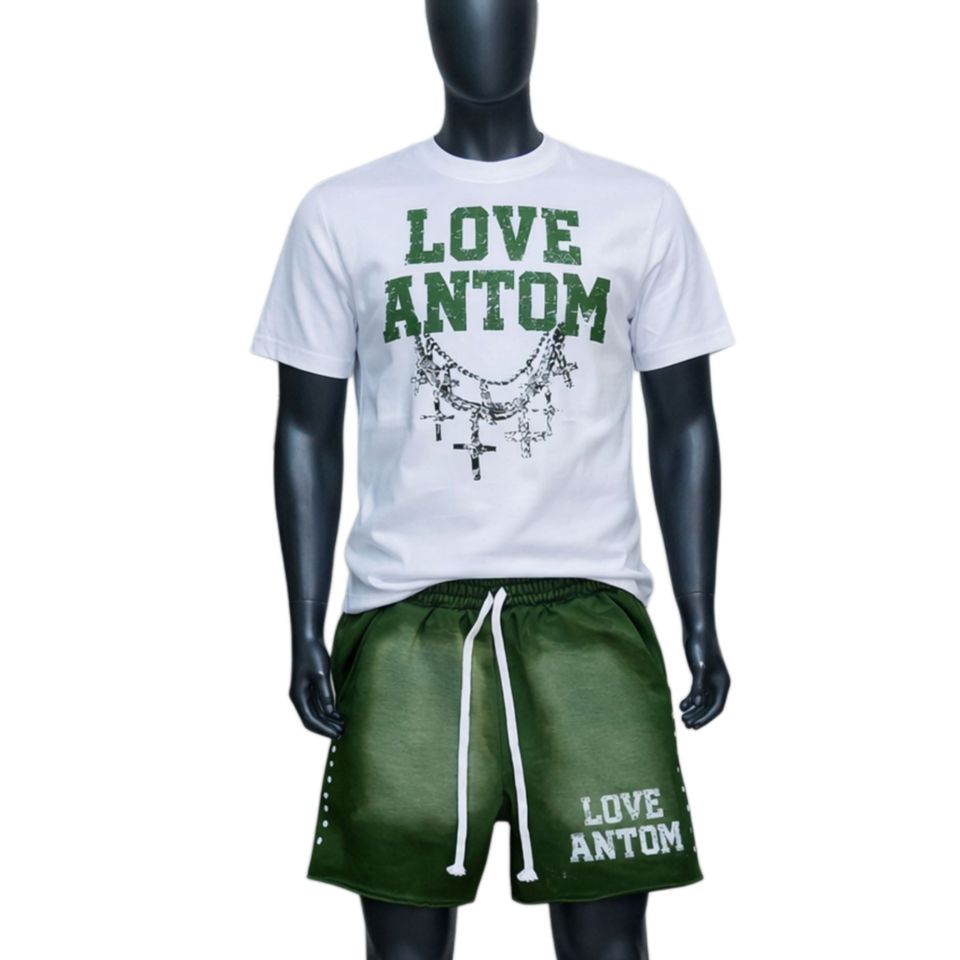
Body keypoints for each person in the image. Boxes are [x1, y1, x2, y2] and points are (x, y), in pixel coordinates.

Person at [251, 2, 733, 957]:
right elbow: (304, 429)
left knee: (609, 944)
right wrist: (303, 624)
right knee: (405, 945)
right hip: (404, 621)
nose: (481, 23)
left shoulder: (637, 207)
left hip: (591, 620)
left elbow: (686, 424)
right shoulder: (342, 212)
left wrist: (700, 617)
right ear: (427, 23)